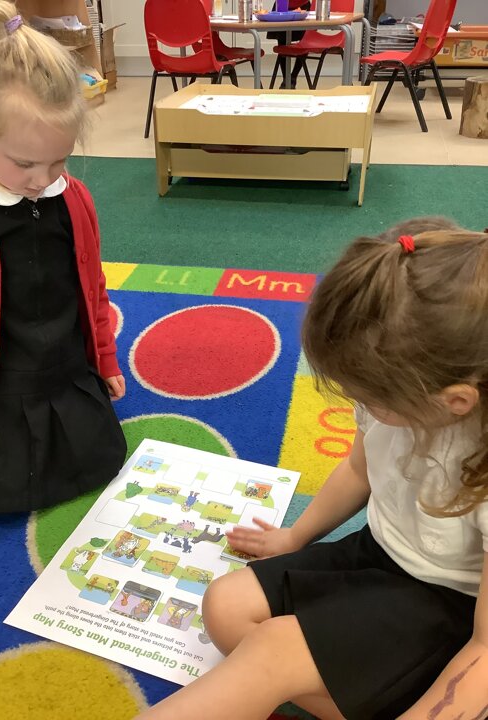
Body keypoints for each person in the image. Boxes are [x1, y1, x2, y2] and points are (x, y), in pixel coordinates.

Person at [134, 219, 488, 720]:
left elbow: (485, 648)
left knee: (273, 651)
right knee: (225, 608)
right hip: (378, 556)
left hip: (450, 605)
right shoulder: (402, 395)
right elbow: (359, 471)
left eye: (371, 398)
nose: (358, 404)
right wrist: (295, 537)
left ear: (455, 401)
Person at [0, 1, 127, 514]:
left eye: (59, 160)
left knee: (104, 459)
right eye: (25, 163)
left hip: (66, 371)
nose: (42, 179)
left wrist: (105, 358)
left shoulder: (74, 199)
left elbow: (92, 287)